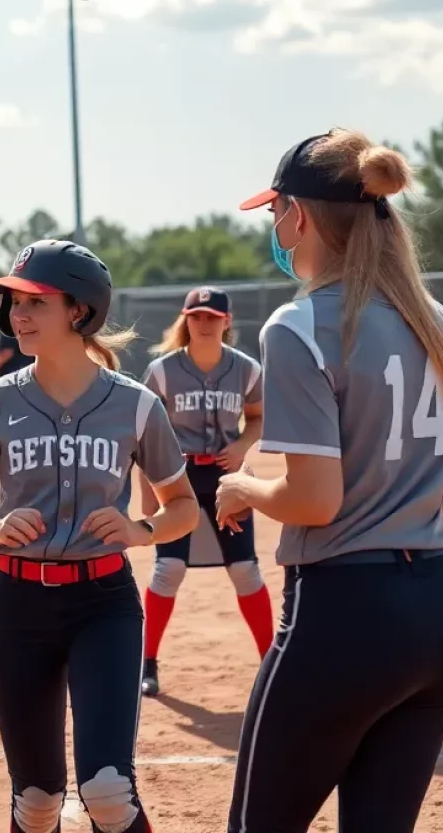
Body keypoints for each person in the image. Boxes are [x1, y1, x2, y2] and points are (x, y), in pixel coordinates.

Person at [216, 130, 443, 833]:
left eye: (275, 211)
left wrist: (245, 490)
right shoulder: (442, 324)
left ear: (299, 216)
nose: (274, 228)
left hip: (345, 615)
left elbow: (314, 500)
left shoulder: (299, 325)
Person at [0, 239, 200, 833]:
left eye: (35, 301)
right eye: (13, 302)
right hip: (17, 606)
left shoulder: (136, 406)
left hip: (104, 604)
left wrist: (140, 529)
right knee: (37, 801)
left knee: (109, 792)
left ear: (79, 310)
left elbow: (183, 509)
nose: (17, 314)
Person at [138, 286, 271, 698]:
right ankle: (148, 662)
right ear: (185, 320)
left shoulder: (246, 369)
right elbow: (143, 434)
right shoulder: (161, 372)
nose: (204, 323)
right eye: (196, 316)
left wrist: (242, 445)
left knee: (244, 569)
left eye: (213, 317)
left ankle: (271, 663)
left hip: (227, 477)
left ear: (226, 322)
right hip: (177, 477)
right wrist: (146, 495)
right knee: (169, 568)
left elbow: (258, 418)